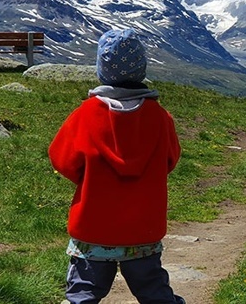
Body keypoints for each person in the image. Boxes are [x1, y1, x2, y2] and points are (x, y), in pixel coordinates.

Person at [49, 28, 185, 304]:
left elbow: (62, 160)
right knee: (154, 292)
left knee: (83, 294)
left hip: (93, 228)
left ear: (102, 69)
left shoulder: (84, 116)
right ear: (141, 68)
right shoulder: (160, 118)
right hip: (143, 230)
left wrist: (92, 178)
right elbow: (169, 159)